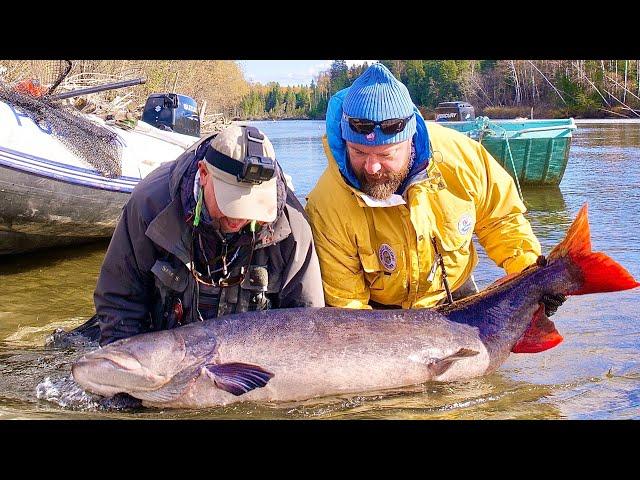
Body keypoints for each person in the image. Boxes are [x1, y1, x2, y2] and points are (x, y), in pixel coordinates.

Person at [305, 62, 565, 314]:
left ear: (410, 140)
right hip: (378, 314)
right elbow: (348, 306)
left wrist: (532, 278)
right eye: (359, 152)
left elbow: (501, 222)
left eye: (386, 154)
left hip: (456, 293)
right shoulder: (327, 205)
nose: (372, 167)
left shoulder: (462, 158)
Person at [56, 125, 324, 347]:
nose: (239, 219)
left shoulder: (292, 225)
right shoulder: (150, 205)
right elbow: (119, 302)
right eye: (230, 203)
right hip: (162, 348)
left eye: (253, 207)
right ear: (204, 174)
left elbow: (308, 323)